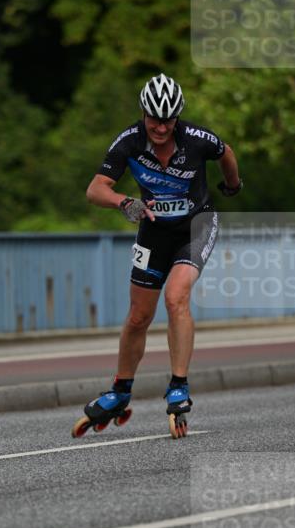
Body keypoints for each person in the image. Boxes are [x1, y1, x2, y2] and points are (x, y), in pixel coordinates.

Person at [76, 73, 242, 438]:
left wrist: (232, 185)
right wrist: (124, 202)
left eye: (168, 120)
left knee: (176, 297)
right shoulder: (129, 142)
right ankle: (120, 391)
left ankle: (179, 383)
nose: (161, 127)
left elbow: (225, 152)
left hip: (195, 226)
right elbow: (94, 190)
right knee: (138, 316)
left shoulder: (198, 139)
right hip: (153, 232)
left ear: (178, 116)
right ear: (144, 113)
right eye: (154, 118)